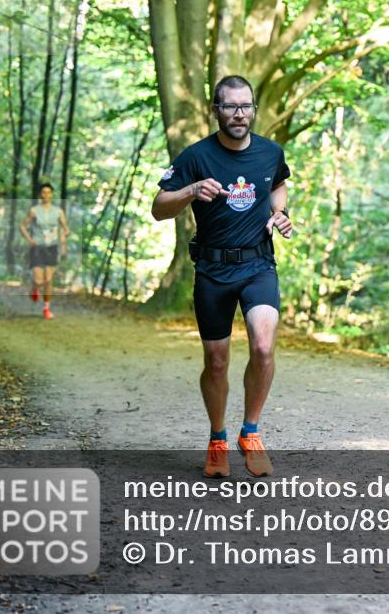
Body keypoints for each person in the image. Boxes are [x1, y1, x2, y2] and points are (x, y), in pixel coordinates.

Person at [152, 75, 293, 478]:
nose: (239, 113)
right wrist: (192, 190)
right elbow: (159, 208)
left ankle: (250, 432)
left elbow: (278, 185)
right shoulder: (194, 157)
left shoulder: (270, 151)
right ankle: (218, 437)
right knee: (216, 361)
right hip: (213, 270)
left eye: (245, 106)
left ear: (253, 109)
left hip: (257, 265)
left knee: (263, 346)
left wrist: (279, 214)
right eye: (230, 106)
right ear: (216, 110)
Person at [19, 183, 70, 320]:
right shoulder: (34, 211)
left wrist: (63, 240)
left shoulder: (58, 212)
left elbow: (66, 230)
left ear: (52, 194)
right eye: (43, 192)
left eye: (48, 192)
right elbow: (22, 226)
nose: (46, 195)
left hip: (52, 248)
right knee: (39, 280)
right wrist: (30, 240)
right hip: (37, 248)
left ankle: (46, 308)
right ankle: (34, 288)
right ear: (40, 195)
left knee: (48, 279)